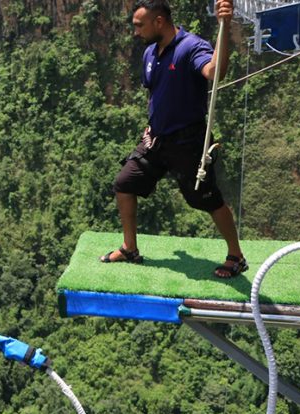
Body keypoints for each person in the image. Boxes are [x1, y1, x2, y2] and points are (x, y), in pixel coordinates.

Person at [101, 0, 247, 279]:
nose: (136, 32)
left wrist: (225, 27)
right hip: (156, 140)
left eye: (139, 25)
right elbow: (155, 93)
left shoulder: (191, 47)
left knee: (207, 199)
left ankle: (236, 256)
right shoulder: (149, 53)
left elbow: (214, 73)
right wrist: (150, 124)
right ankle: (130, 248)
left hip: (188, 141)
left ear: (159, 22)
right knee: (124, 184)